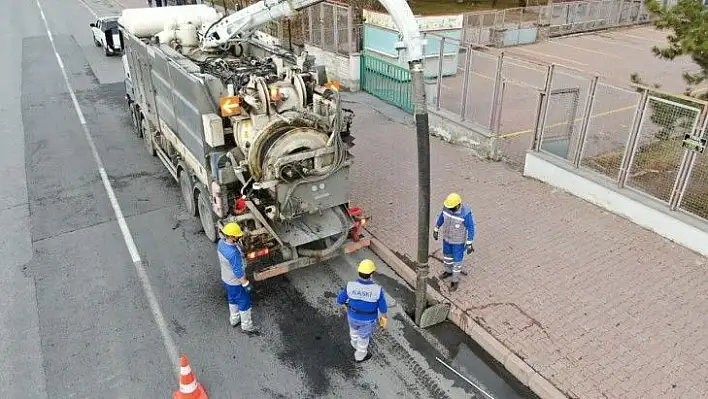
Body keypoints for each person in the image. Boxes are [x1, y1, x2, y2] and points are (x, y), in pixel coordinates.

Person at [336, 259, 388, 363]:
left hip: (352, 316)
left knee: (354, 331)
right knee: (363, 338)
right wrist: (384, 317)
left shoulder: (350, 286)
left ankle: (354, 342)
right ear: (372, 274)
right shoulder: (377, 290)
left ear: (359, 272)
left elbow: (340, 300)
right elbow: (383, 308)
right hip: (368, 320)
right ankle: (360, 355)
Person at [432, 192, 475, 292]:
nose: (450, 209)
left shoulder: (465, 214)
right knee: (447, 256)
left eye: (452, 208)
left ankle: (455, 280)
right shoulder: (447, 208)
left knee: (457, 261)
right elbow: (441, 218)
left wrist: (469, 242)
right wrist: (436, 228)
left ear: (458, 205)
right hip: (446, 240)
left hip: (458, 243)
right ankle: (448, 271)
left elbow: (471, 228)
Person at [217, 222, 255, 332]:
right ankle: (247, 325)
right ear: (232, 237)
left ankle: (234, 319)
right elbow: (238, 271)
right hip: (235, 282)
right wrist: (246, 284)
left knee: (232, 298)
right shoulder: (233, 253)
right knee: (244, 301)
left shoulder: (220, 243)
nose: (239, 237)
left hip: (226, 278)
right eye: (237, 236)